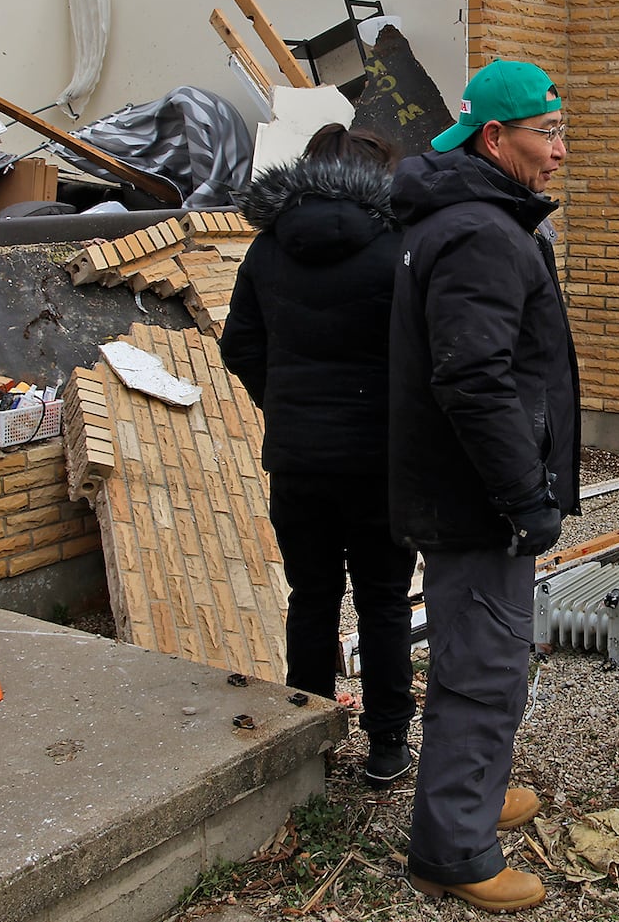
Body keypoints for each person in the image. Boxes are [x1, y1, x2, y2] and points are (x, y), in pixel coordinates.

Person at [389, 59, 581, 913]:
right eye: (547, 133)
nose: (560, 152)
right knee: (483, 665)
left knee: (490, 651)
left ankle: (474, 786)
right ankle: (453, 848)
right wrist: (523, 496)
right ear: (493, 138)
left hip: (471, 493)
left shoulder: (475, 217)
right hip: (477, 501)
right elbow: (474, 379)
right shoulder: (479, 232)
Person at [219, 122, 418, 788]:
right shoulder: (399, 247)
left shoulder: (269, 248)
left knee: (311, 596)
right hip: (379, 462)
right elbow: (421, 348)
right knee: (384, 600)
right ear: (379, 174)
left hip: (299, 461)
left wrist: (281, 403)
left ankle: (309, 738)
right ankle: (387, 744)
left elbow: (238, 344)